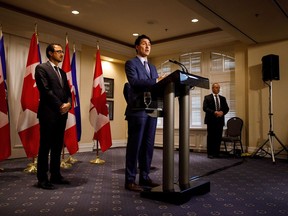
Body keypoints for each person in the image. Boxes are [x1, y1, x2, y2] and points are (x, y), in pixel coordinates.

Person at [124, 35, 165, 192]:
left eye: (149, 44)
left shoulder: (153, 67)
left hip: (152, 109)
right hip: (137, 110)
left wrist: (162, 82)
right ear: (136, 47)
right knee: (135, 146)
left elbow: (155, 88)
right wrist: (156, 81)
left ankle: (145, 177)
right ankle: (130, 180)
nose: (147, 46)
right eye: (144, 43)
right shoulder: (131, 63)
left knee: (148, 146)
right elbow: (134, 83)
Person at [35, 43, 72, 189]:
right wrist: (60, 105)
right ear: (50, 53)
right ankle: (42, 179)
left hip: (62, 114)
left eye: (62, 51)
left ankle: (56, 175)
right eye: (58, 51)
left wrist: (68, 103)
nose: (62, 54)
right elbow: (45, 90)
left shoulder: (62, 72)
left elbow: (68, 92)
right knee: (45, 147)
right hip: (48, 114)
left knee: (57, 146)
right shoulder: (41, 68)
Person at [203, 83, 229, 159]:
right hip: (211, 121)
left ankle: (216, 153)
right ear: (212, 88)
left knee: (218, 137)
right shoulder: (207, 97)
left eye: (218, 88)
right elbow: (205, 108)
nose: (218, 89)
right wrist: (214, 112)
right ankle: (210, 153)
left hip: (220, 121)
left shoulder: (223, 98)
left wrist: (222, 112)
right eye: (216, 87)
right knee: (211, 137)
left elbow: (226, 108)